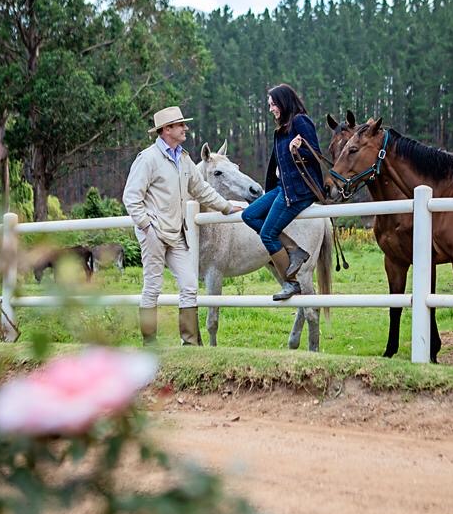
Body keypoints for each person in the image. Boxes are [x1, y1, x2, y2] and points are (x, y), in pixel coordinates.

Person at [123, 106, 243, 346]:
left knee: (189, 285)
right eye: (180, 125)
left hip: (177, 235)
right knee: (153, 287)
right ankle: (150, 344)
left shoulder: (184, 158)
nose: (185, 128)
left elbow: (201, 189)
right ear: (167, 130)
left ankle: (189, 344)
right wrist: (148, 227)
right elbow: (131, 197)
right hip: (154, 234)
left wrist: (226, 207)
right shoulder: (148, 159)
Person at [241, 83, 324, 300]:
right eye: (269, 105)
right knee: (248, 215)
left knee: (268, 234)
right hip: (282, 188)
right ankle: (293, 249)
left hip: (299, 191)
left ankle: (291, 283)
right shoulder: (282, 129)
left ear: (284, 102)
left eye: (273, 104)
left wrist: (300, 147)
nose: (271, 109)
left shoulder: (300, 121)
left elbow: (315, 152)